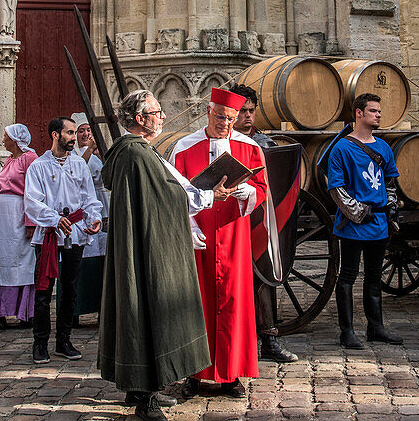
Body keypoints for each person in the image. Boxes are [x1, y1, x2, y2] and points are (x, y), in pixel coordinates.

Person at [99, 90, 212, 421]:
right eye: (157, 111)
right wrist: (206, 196)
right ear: (140, 118)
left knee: (138, 311)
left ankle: (138, 389)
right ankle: (145, 401)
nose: (163, 117)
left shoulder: (131, 152)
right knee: (147, 314)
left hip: (139, 242)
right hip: (148, 249)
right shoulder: (138, 155)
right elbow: (168, 197)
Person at [170, 87, 269, 397]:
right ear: (207, 113)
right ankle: (194, 374)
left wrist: (249, 193)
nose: (225, 124)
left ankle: (230, 374)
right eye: (219, 117)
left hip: (233, 236)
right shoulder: (185, 148)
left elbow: (261, 186)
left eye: (230, 118)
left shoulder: (249, 147)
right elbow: (173, 191)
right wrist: (186, 225)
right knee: (195, 304)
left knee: (233, 302)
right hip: (199, 235)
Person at [325, 93, 403, 348]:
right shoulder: (342, 148)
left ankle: (376, 327)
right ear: (359, 113)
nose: (378, 115)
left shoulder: (383, 148)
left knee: (373, 276)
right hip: (353, 224)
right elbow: (336, 188)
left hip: (378, 223)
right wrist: (358, 212)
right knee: (347, 276)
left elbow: (390, 182)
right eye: (373, 111)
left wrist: (389, 208)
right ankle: (346, 331)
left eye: (379, 111)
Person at [24, 117, 103, 365]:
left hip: (75, 233)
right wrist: (53, 219)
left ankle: (64, 340)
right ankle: (40, 343)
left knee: (70, 290)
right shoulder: (38, 166)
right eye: (69, 133)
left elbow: (89, 197)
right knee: (44, 291)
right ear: (55, 135)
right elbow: (32, 202)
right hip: (48, 236)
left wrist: (94, 218)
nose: (74, 137)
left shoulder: (79, 164)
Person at [230, 83, 298, 364]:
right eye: (241, 111)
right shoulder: (225, 144)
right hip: (231, 222)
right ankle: (234, 342)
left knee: (265, 280)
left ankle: (269, 341)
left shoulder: (267, 145)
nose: (247, 115)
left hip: (261, 221)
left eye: (250, 110)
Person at [0, 124, 39, 329]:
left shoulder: (29, 160)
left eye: (6, 137)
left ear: (16, 140)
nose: (3, 141)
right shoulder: (10, 160)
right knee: (2, 259)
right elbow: (0, 190)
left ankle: (25, 311)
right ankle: (0, 311)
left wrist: (30, 221)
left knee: (21, 260)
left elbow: (33, 192)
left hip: (19, 212)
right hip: (3, 216)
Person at [71, 111, 107, 321]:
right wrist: (89, 151)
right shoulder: (73, 155)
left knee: (102, 256)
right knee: (83, 256)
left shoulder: (97, 153)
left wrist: (100, 154)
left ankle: (101, 307)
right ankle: (77, 308)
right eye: (81, 131)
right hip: (83, 204)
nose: (85, 134)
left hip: (102, 202)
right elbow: (77, 173)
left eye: (88, 130)